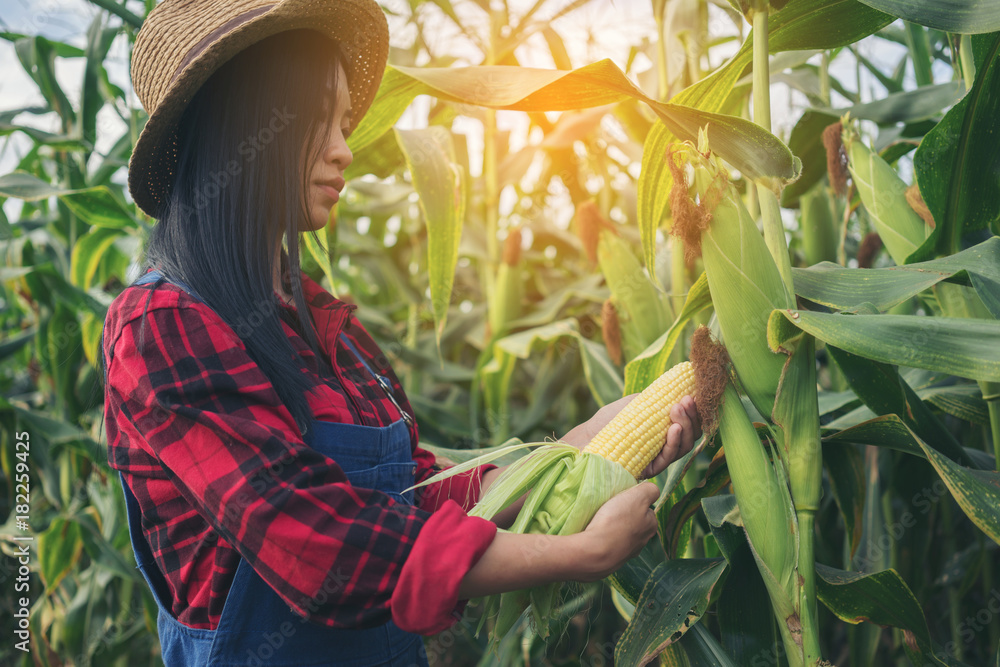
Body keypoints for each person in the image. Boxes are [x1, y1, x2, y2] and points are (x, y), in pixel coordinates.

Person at [100, 1, 702, 665]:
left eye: (344, 124)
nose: (344, 150)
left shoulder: (321, 323)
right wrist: (576, 554)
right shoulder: (160, 328)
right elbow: (321, 544)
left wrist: (592, 448)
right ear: (246, 130)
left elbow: (415, 493)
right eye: (315, 122)